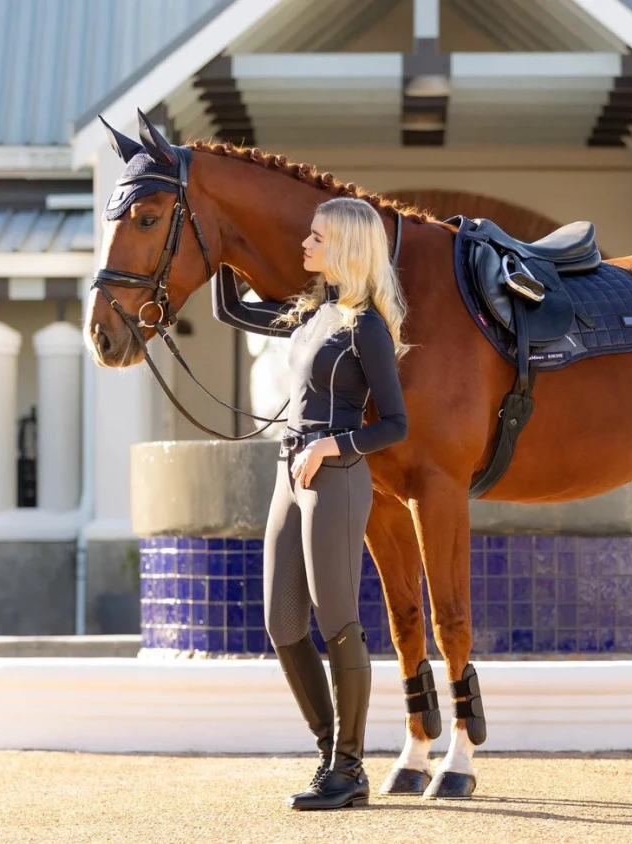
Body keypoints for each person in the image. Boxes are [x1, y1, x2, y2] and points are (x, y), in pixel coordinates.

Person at [212, 196, 410, 810]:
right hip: (289, 470)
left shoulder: (366, 326)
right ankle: (330, 752)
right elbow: (228, 307)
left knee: (336, 621)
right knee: (282, 622)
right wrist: (217, 230)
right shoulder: (312, 313)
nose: (305, 244)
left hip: (336, 474)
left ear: (346, 247)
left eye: (317, 238)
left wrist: (331, 443)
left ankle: (349, 769)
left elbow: (396, 425)